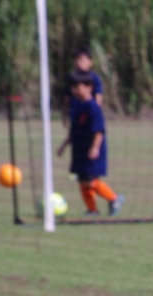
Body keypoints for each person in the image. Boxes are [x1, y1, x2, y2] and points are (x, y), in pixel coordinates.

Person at [57, 71, 123, 217]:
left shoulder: (93, 107)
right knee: (82, 181)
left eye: (78, 86)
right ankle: (92, 209)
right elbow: (74, 131)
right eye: (72, 87)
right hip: (79, 149)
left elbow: (99, 131)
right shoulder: (76, 106)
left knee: (90, 181)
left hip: (91, 149)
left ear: (89, 87)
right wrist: (64, 146)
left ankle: (114, 198)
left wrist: (95, 147)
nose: (74, 90)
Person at [62, 46, 104, 121]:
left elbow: (98, 98)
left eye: (82, 60)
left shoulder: (94, 78)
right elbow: (67, 98)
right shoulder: (71, 78)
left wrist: (97, 115)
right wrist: (65, 114)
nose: (79, 63)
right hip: (75, 113)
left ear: (90, 62)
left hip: (89, 113)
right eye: (77, 60)